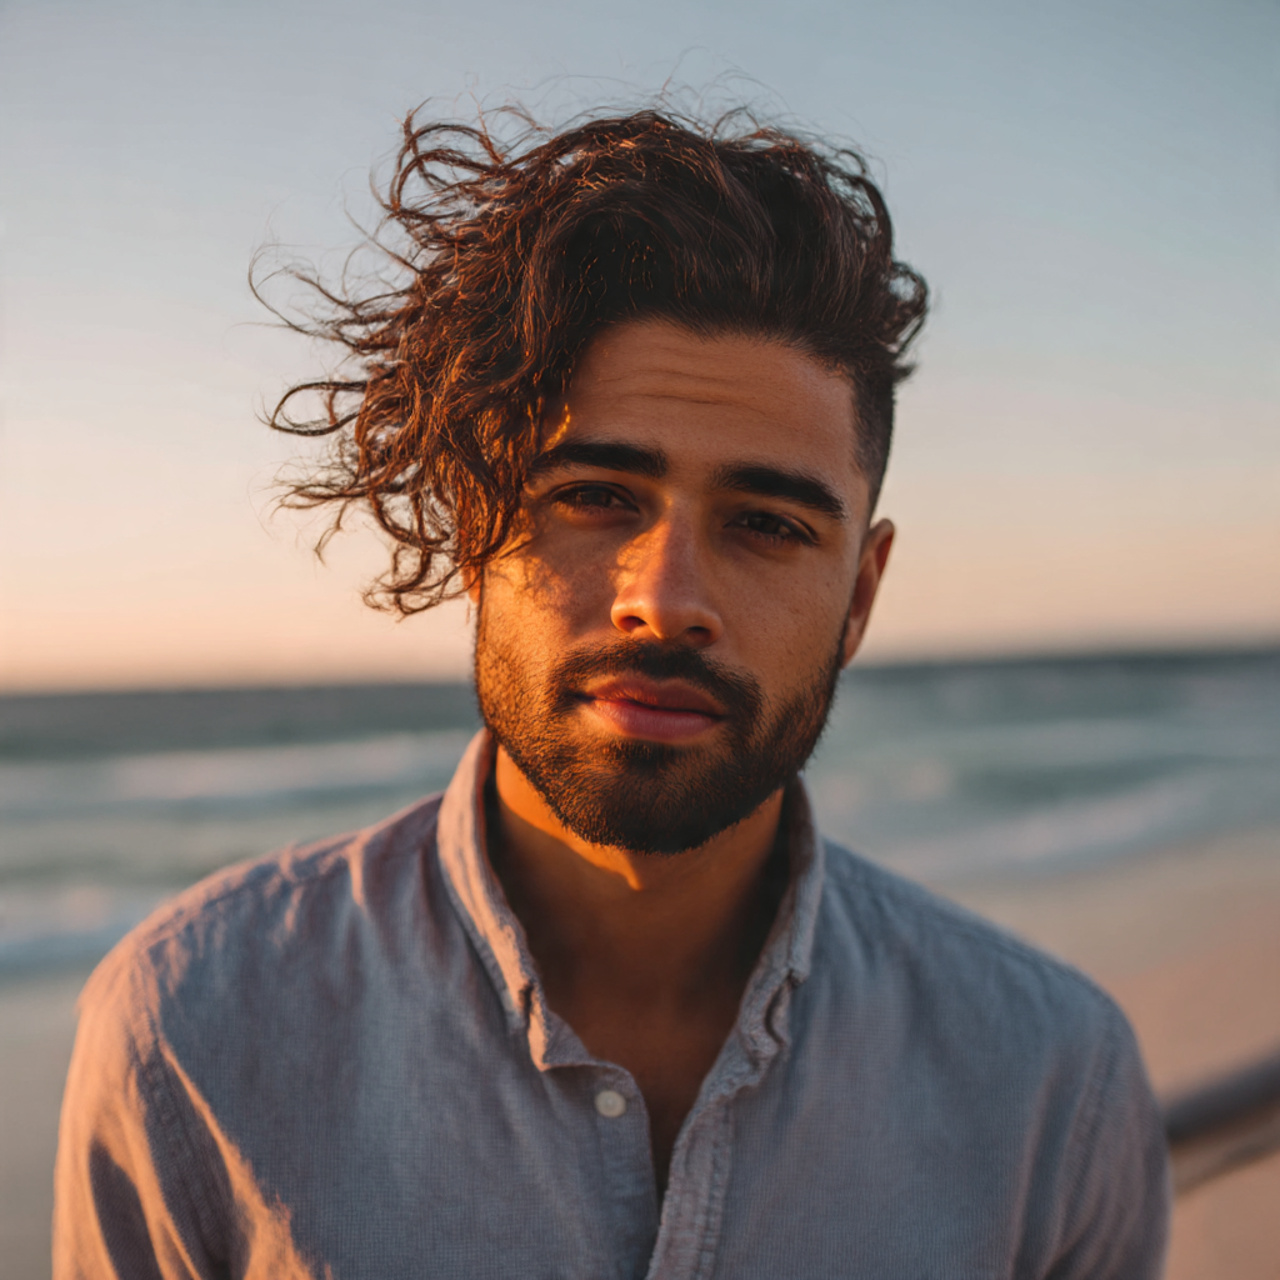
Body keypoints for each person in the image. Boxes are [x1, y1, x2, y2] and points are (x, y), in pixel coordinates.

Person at [54, 105, 1170, 1278]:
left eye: (765, 523)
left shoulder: (1050, 1082)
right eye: (593, 495)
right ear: (472, 526)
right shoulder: (192, 1031)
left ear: (860, 593)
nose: (666, 597)